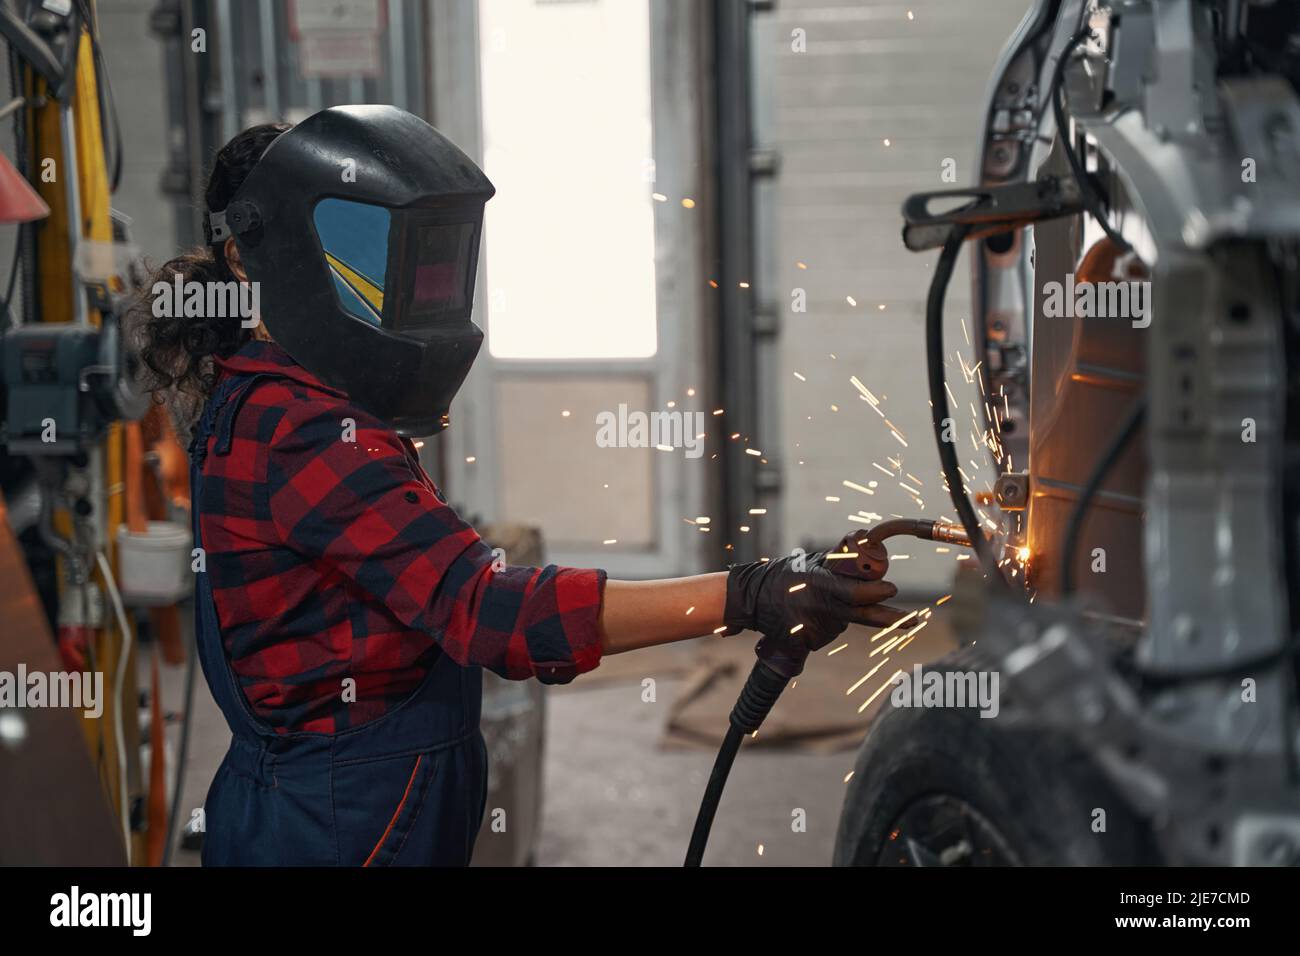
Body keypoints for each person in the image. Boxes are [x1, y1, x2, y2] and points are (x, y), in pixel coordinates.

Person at [131, 106, 903, 866]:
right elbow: (487, 612)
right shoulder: (300, 430)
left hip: (331, 803)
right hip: (337, 823)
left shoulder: (279, 399)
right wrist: (743, 595)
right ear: (256, 261)